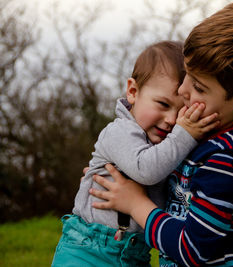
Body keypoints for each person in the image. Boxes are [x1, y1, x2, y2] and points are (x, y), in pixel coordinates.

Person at [90, 1, 233, 266]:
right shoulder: (196, 134)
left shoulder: (228, 157)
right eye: (187, 74)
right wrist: (111, 173)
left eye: (197, 86)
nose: (183, 90)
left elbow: (191, 250)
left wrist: (135, 204)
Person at [51, 41, 219, 267]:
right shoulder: (120, 131)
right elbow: (147, 170)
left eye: (182, 112)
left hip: (135, 254)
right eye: (162, 104)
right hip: (88, 249)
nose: (171, 120)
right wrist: (186, 133)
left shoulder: (169, 147)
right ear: (133, 91)